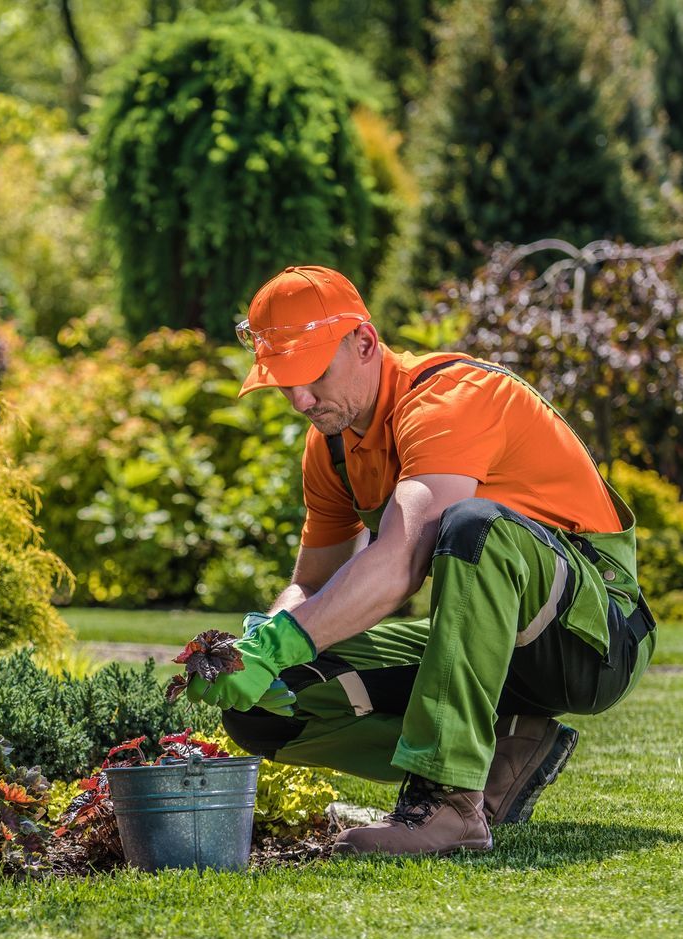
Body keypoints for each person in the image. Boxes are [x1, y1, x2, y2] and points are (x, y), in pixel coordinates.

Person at [183, 265, 656, 856]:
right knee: (267, 711)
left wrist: (279, 643)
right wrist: (253, 651)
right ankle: (505, 754)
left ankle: (449, 804)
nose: (300, 399)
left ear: (363, 343)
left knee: (471, 527)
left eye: (312, 375)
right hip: (488, 642)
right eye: (283, 382)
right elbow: (311, 585)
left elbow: (403, 558)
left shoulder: (448, 400)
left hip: (593, 640)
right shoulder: (330, 445)